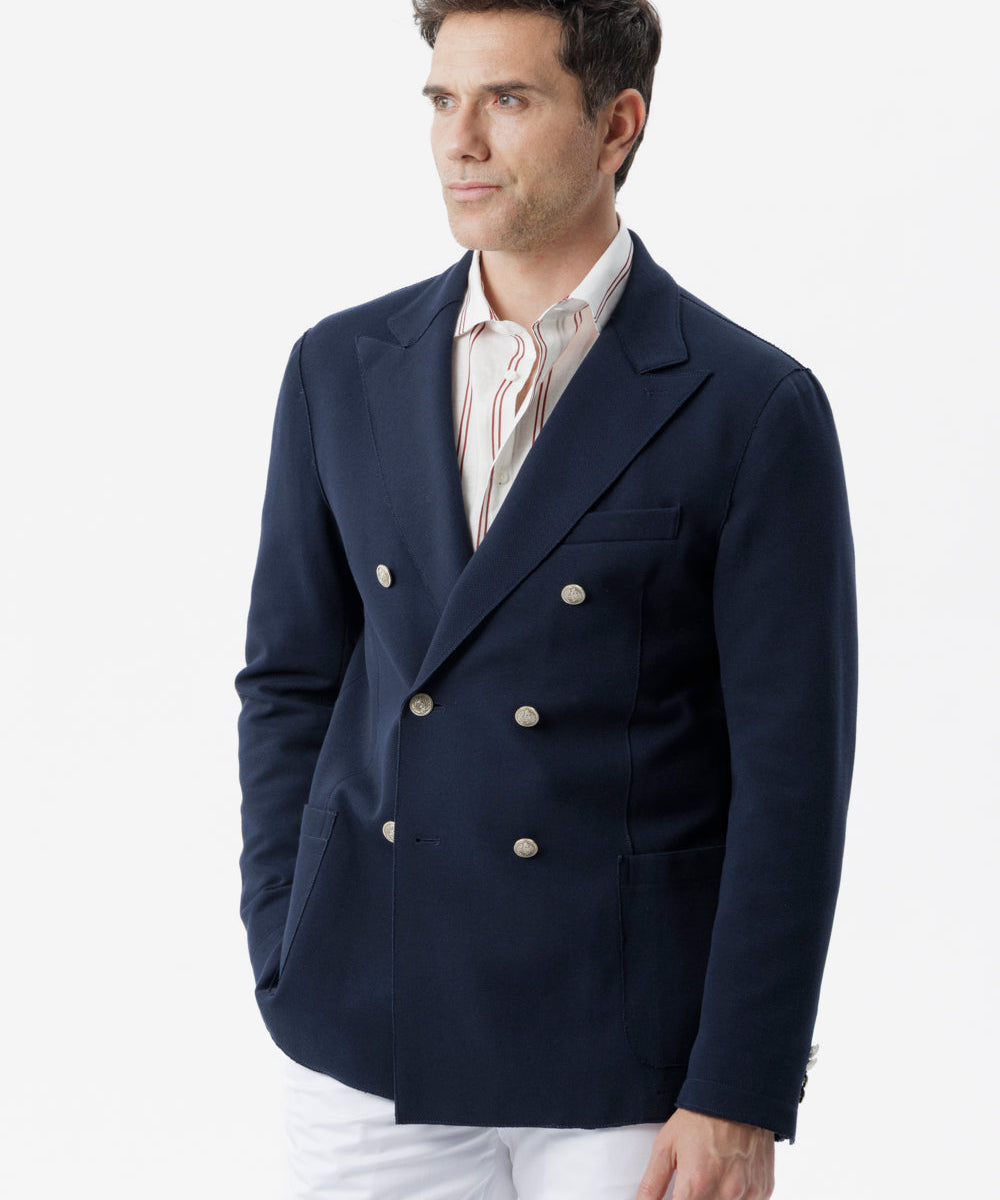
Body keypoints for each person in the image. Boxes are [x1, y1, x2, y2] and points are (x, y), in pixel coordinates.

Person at [234, 2, 858, 1197]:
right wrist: (289, 932)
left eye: (507, 100)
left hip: (625, 1053)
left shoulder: (748, 405)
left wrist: (740, 1084)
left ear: (615, 125)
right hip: (366, 1030)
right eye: (441, 99)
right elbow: (291, 681)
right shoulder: (338, 367)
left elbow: (791, 781)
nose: (459, 139)